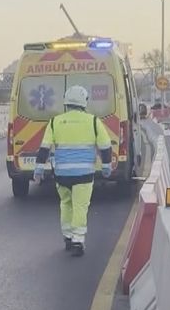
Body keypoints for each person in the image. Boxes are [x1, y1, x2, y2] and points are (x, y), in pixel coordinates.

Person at [33, 85, 113, 256]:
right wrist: (106, 166)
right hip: (84, 175)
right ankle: (78, 240)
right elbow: (105, 147)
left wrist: (39, 169)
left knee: (66, 204)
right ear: (84, 102)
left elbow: (44, 148)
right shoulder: (93, 121)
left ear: (66, 103)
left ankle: (68, 236)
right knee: (80, 206)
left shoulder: (55, 121)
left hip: (62, 175)